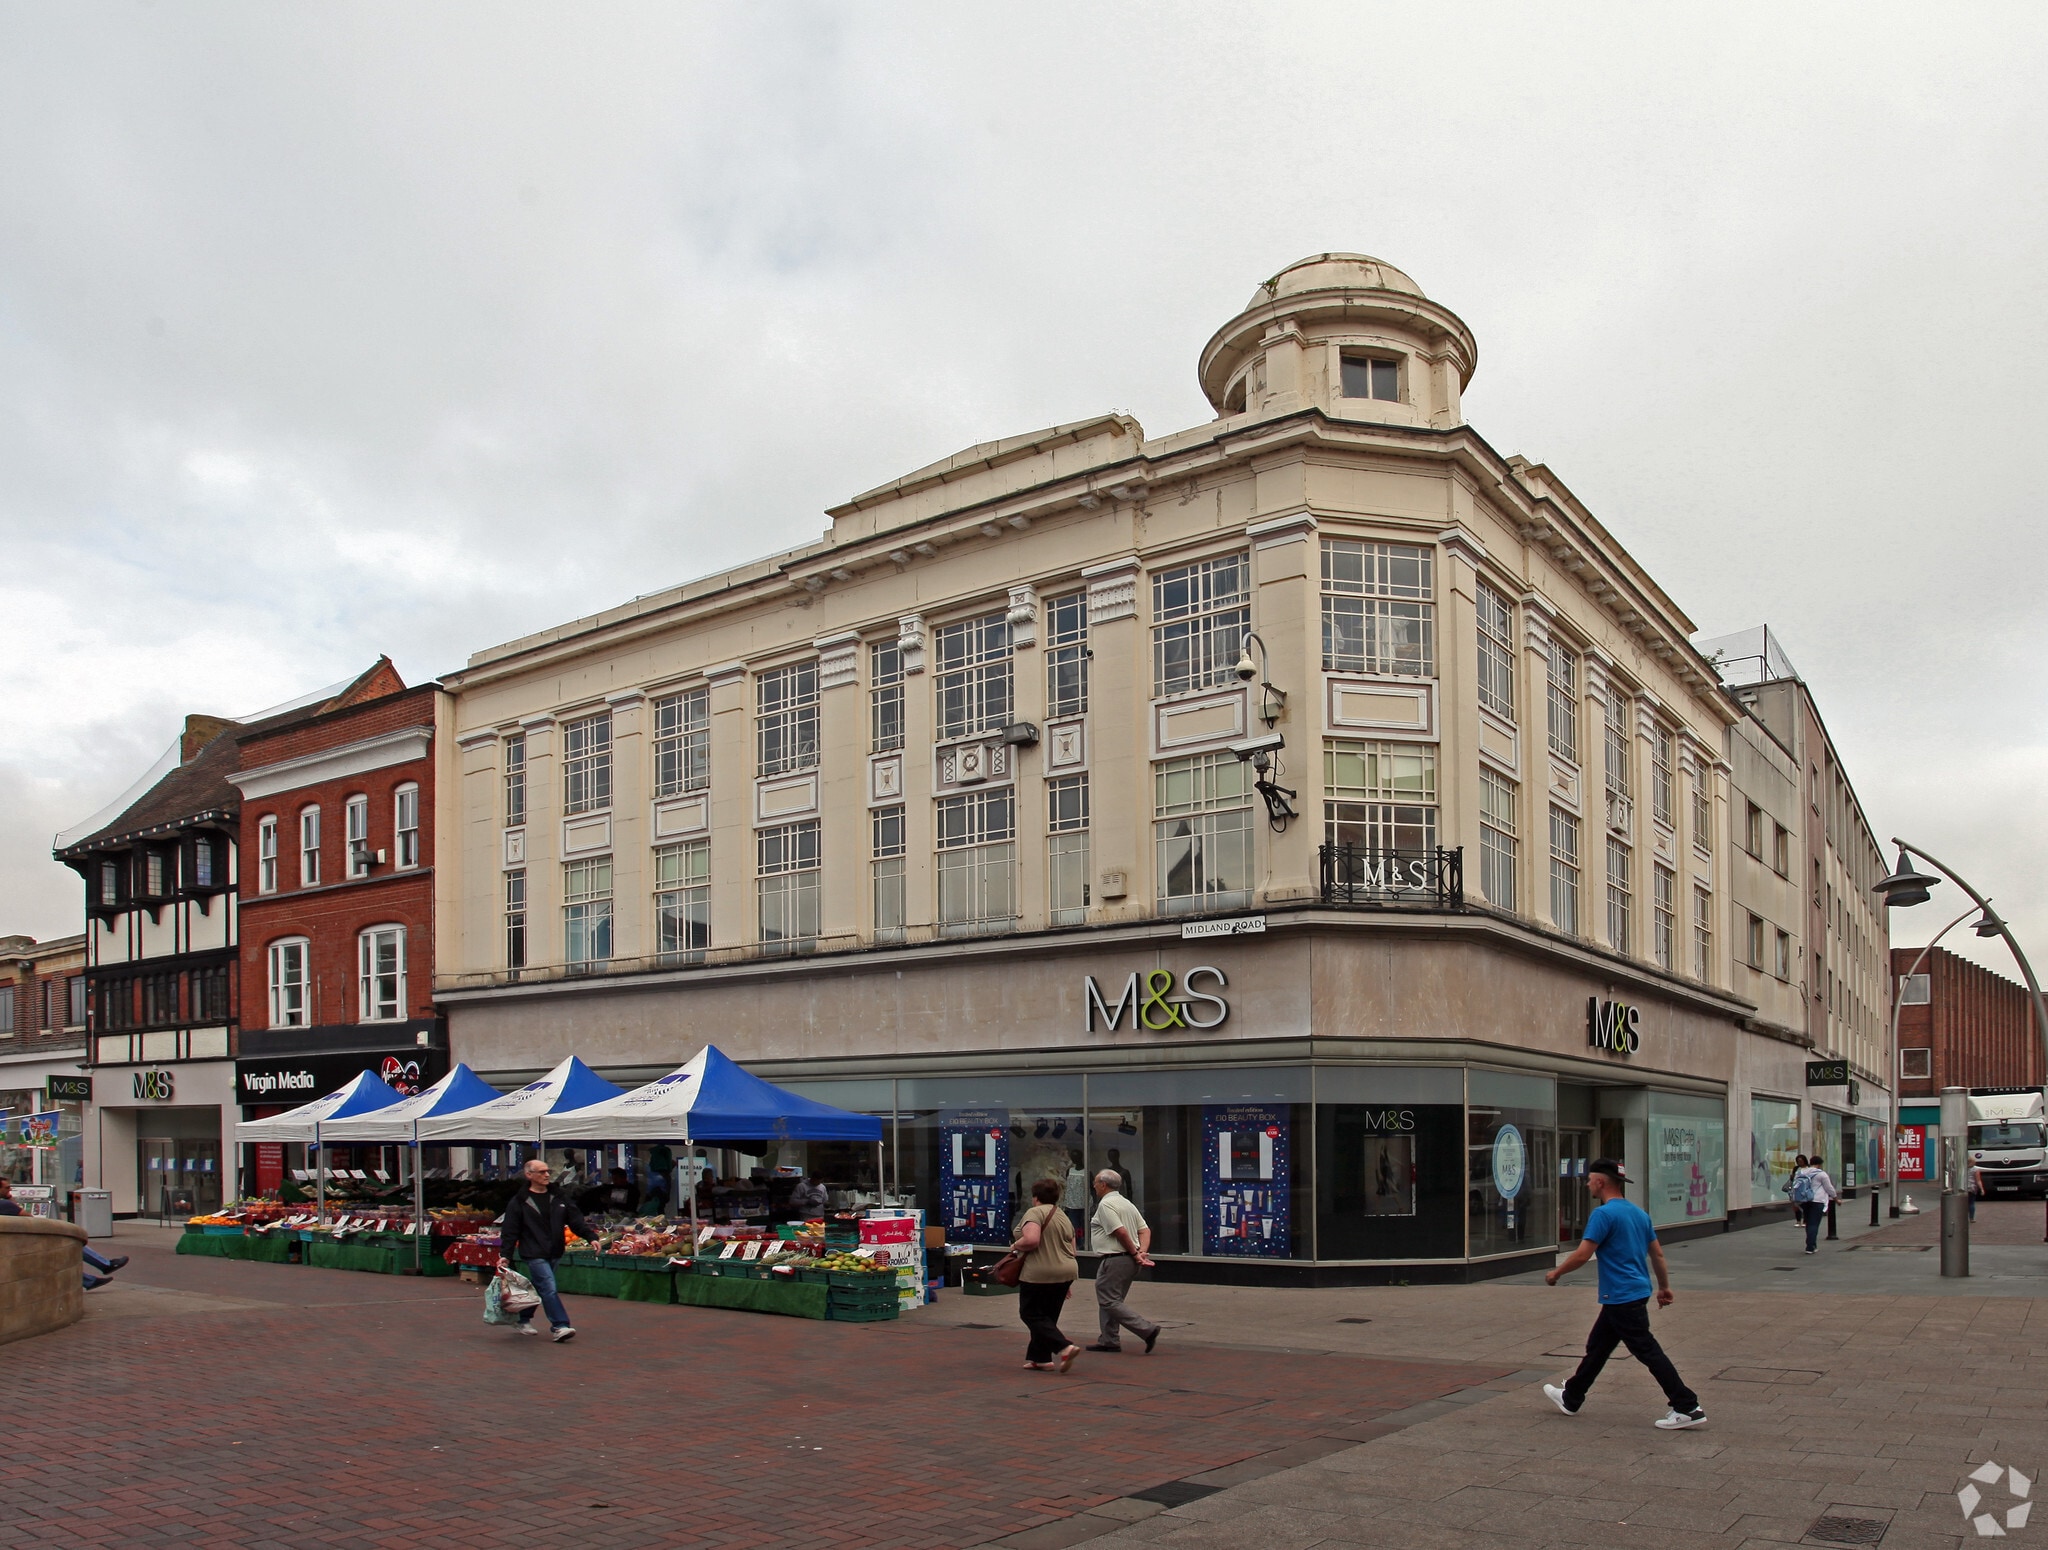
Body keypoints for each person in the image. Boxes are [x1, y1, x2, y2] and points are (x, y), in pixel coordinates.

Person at [1542, 1158, 1704, 1430]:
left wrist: (1556, 1274)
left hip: (1621, 1295)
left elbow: (1583, 1254)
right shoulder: (1639, 1214)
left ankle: (1686, 1405)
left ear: (1600, 1182)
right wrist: (1664, 1287)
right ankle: (1572, 1397)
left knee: (1647, 1350)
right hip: (1634, 1292)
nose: (1586, 1183)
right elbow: (1658, 1254)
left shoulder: (1603, 1215)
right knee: (1598, 1347)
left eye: (1589, 1179)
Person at [496, 1157, 594, 1343]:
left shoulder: (559, 1197)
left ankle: (522, 1318)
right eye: (541, 1172)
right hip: (533, 1252)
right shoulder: (519, 1201)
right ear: (529, 1175)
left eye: (548, 1171)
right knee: (548, 1287)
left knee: (538, 1287)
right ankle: (560, 1325)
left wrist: (591, 1237)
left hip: (555, 1250)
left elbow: (575, 1220)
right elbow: (510, 1230)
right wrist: (505, 1255)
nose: (547, 1174)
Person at [0, 1181, 128, 1288]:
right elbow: (31, 1219)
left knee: (53, 1261)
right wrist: (11, 1201)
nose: (10, 1189)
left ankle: (93, 1277)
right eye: (6, 1188)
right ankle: (102, 1267)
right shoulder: (5, 1204)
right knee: (66, 1248)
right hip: (21, 1246)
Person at [1086, 1169, 1159, 1355]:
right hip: (1126, 1260)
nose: (1094, 1186)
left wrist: (1136, 1253)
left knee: (1109, 1300)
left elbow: (1120, 1232)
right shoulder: (1126, 1203)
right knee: (1112, 1300)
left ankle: (1146, 1329)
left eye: (1095, 1183)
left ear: (1103, 1185)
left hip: (1115, 1259)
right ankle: (1109, 1340)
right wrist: (1141, 1252)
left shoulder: (1106, 1205)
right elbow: (1145, 1231)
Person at [1011, 1177, 1080, 1374]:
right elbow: (1072, 1250)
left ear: (1035, 1197)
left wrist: (1016, 1245)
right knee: (1047, 1317)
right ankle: (1040, 1359)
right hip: (1065, 1271)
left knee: (1030, 1313)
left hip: (1039, 1271)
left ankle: (1064, 1347)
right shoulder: (1063, 1216)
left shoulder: (1034, 1213)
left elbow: (1032, 1240)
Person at [1795, 1155, 1838, 1254]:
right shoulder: (1822, 1174)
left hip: (1804, 1201)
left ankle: (1812, 1244)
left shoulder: (1801, 1172)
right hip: (1817, 1201)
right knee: (1814, 1224)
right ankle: (1810, 1247)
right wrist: (1836, 1198)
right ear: (1820, 1164)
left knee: (1809, 1223)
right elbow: (1829, 1188)